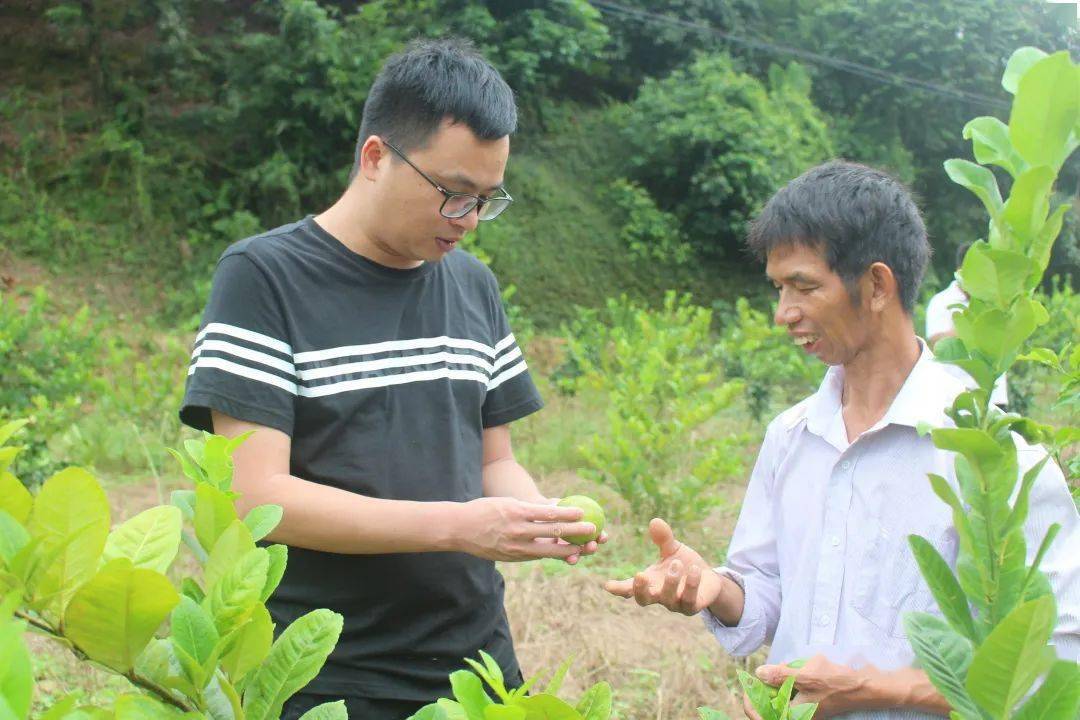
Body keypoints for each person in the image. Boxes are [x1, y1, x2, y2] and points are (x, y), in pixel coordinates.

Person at [179, 38, 604, 720]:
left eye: (486, 201)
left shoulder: (473, 285)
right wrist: (458, 527)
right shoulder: (263, 277)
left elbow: (495, 462)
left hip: (478, 666)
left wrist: (538, 520)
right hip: (329, 675)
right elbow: (256, 498)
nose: (466, 222)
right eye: (453, 194)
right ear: (376, 157)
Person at [604, 162, 1079, 719]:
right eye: (779, 289)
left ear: (877, 285)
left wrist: (875, 690)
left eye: (805, 287)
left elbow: (1056, 660)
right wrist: (714, 587)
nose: (784, 314)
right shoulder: (792, 436)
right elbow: (764, 593)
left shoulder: (990, 452)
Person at [924, 241, 1008, 408]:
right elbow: (937, 344)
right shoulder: (941, 302)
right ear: (961, 271)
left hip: (995, 398)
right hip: (957, 399)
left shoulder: (996, 301)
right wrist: (972, 327)